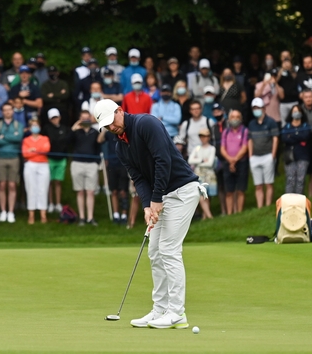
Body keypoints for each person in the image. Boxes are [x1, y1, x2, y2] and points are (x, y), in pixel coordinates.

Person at [94, 98, 206, 330]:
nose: (111, 128)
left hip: (183, 191)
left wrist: (156, 199)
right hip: (162, 195)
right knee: (154, 251)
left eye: (111, 121)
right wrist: (147, 206)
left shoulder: (147, 124)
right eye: (106, 126)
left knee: (168, 249)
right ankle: (159, 309)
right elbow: (139, 178)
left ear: (120, 111)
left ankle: (177, 313)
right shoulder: (120, 146)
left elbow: (162, 161)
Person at [0, 102, 23, 223]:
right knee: (2, 185)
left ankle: (11, 212)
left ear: (13, 111)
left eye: (9, 109)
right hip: (0, 157)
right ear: (2, 112)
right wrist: (9, 138)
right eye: (5, 110)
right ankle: (3, 211)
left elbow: (18, 138)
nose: (7, 112)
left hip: (14, 157)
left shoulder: (18, 125)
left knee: (12, 185)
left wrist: (4, 137)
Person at [70, 109, 103, 225]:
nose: (85, 120)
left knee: (90, 192)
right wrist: (75, 127)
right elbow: (68, 141)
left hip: (91, 164)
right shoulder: (76, 132)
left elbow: (99, 147)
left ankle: (90, 217)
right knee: (80, 192)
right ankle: (82, 218)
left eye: (87, 118)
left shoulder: (95, 132)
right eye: (83, 118)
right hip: (77, 163)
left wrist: (96, 163)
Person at [247, 98, 279, 207]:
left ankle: (268, 204)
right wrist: (250, 156)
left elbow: (275, 139)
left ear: (264, 109)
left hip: (267, 156)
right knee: (258, 185)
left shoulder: (271, 122)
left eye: (258, 108)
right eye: (254, 108)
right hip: (255, 157)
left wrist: (273, 155)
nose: (256, 110)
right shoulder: (251, 124)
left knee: (269, 183)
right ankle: (260, 207)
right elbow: (250, 140)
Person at [22, 117, 51, 224]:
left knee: (43, 189)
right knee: (31, 188)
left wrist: (33, 150)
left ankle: (43, 215)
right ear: (30, 128)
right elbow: (25, 154)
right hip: (30, 165)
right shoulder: (26, 140)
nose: (35, 127)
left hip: (43, 164)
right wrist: (35, 150)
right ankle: (31, 215)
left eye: (36, 125)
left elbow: (46, 149)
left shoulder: (45, 138)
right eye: (33, 125)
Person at [220, 109, 248, 214]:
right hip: (227, 162)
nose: (235, 119)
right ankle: (229, 213)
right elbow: (222, 149)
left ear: (241, 119)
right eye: (233, 117)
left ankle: (239, 213)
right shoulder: (225, 132)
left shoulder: (244, 131)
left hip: (241, 162)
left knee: (240, 189)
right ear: (229, 119)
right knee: (229, 191)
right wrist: (230, 160)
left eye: (237, 117)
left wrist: (235, 160)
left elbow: (245, 147)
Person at [44, 108, 71, 213]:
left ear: (59, 117)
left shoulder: (65, 128)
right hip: (50, 158)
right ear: (50, 119)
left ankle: (58, 203)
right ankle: (51, 203)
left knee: (58, 182)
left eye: (56, 117)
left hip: (61, 158)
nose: (55, 119)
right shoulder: (46, 129)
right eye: (52, 118)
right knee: (50, 182)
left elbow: (66, 141)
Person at [281, 105, 311, 194]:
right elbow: (284, 138)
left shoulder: (305, 125)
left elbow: (306, 136)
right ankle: (288, 200)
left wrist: (292, 135)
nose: (296, 113)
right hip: (289, 156)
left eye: (298, 111)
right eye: (294, 111)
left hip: (303, 156)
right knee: (290, 179)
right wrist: (298, 137)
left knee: (300, 179)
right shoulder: (287, 126)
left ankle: (299, 199)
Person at [187, 127, 215, 219]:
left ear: (209, 137)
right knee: (201, 195)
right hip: (199, 173)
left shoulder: (212, 148)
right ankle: (209, 215)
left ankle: (204, 215)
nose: (204, 138)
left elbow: (210, 163)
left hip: (209, 173)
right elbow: (190, 160)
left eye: (206, 136)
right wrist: (202, 160)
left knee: (207, 195)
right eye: (202, 136)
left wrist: (198, 161)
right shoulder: (197, 148)